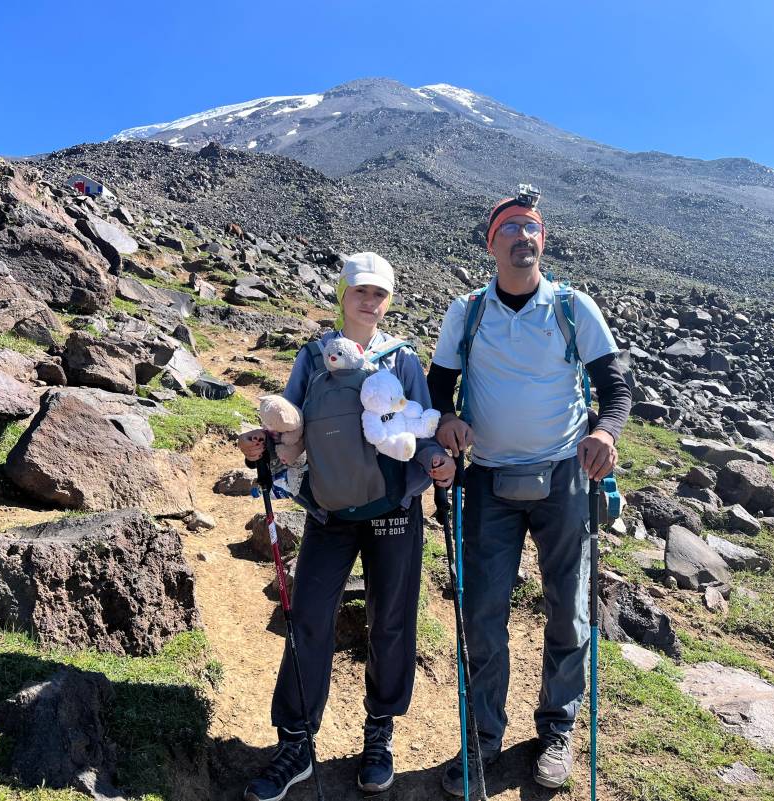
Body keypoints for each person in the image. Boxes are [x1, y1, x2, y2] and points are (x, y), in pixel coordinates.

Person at [428, 194, 631, 792]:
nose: (522, 236)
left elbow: (614, 387)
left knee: (568, 610)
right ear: (490, 244)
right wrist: (445, 420)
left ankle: (557, 730)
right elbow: (441, 384)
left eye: (531, 228)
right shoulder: (466, 313)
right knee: (484, 615)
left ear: (544, 241)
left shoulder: (573, 307)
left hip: (564, 478)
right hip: (487, 479)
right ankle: (484, 738)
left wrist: (603, 431)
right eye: (509, 228)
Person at [238, 252, 455, 800]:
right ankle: (295, 742)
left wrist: (437, 460)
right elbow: (286, 419)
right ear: (343, 293)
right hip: (328, 513)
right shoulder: (312, 358)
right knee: (309, 617)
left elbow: (421, 426)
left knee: (391, 623)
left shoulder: (403, 360)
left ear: (388, 300)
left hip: (393, 511)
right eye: (361, 290)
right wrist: (259, 444)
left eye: (379, 293)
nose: (369, 301)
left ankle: (379, 732)